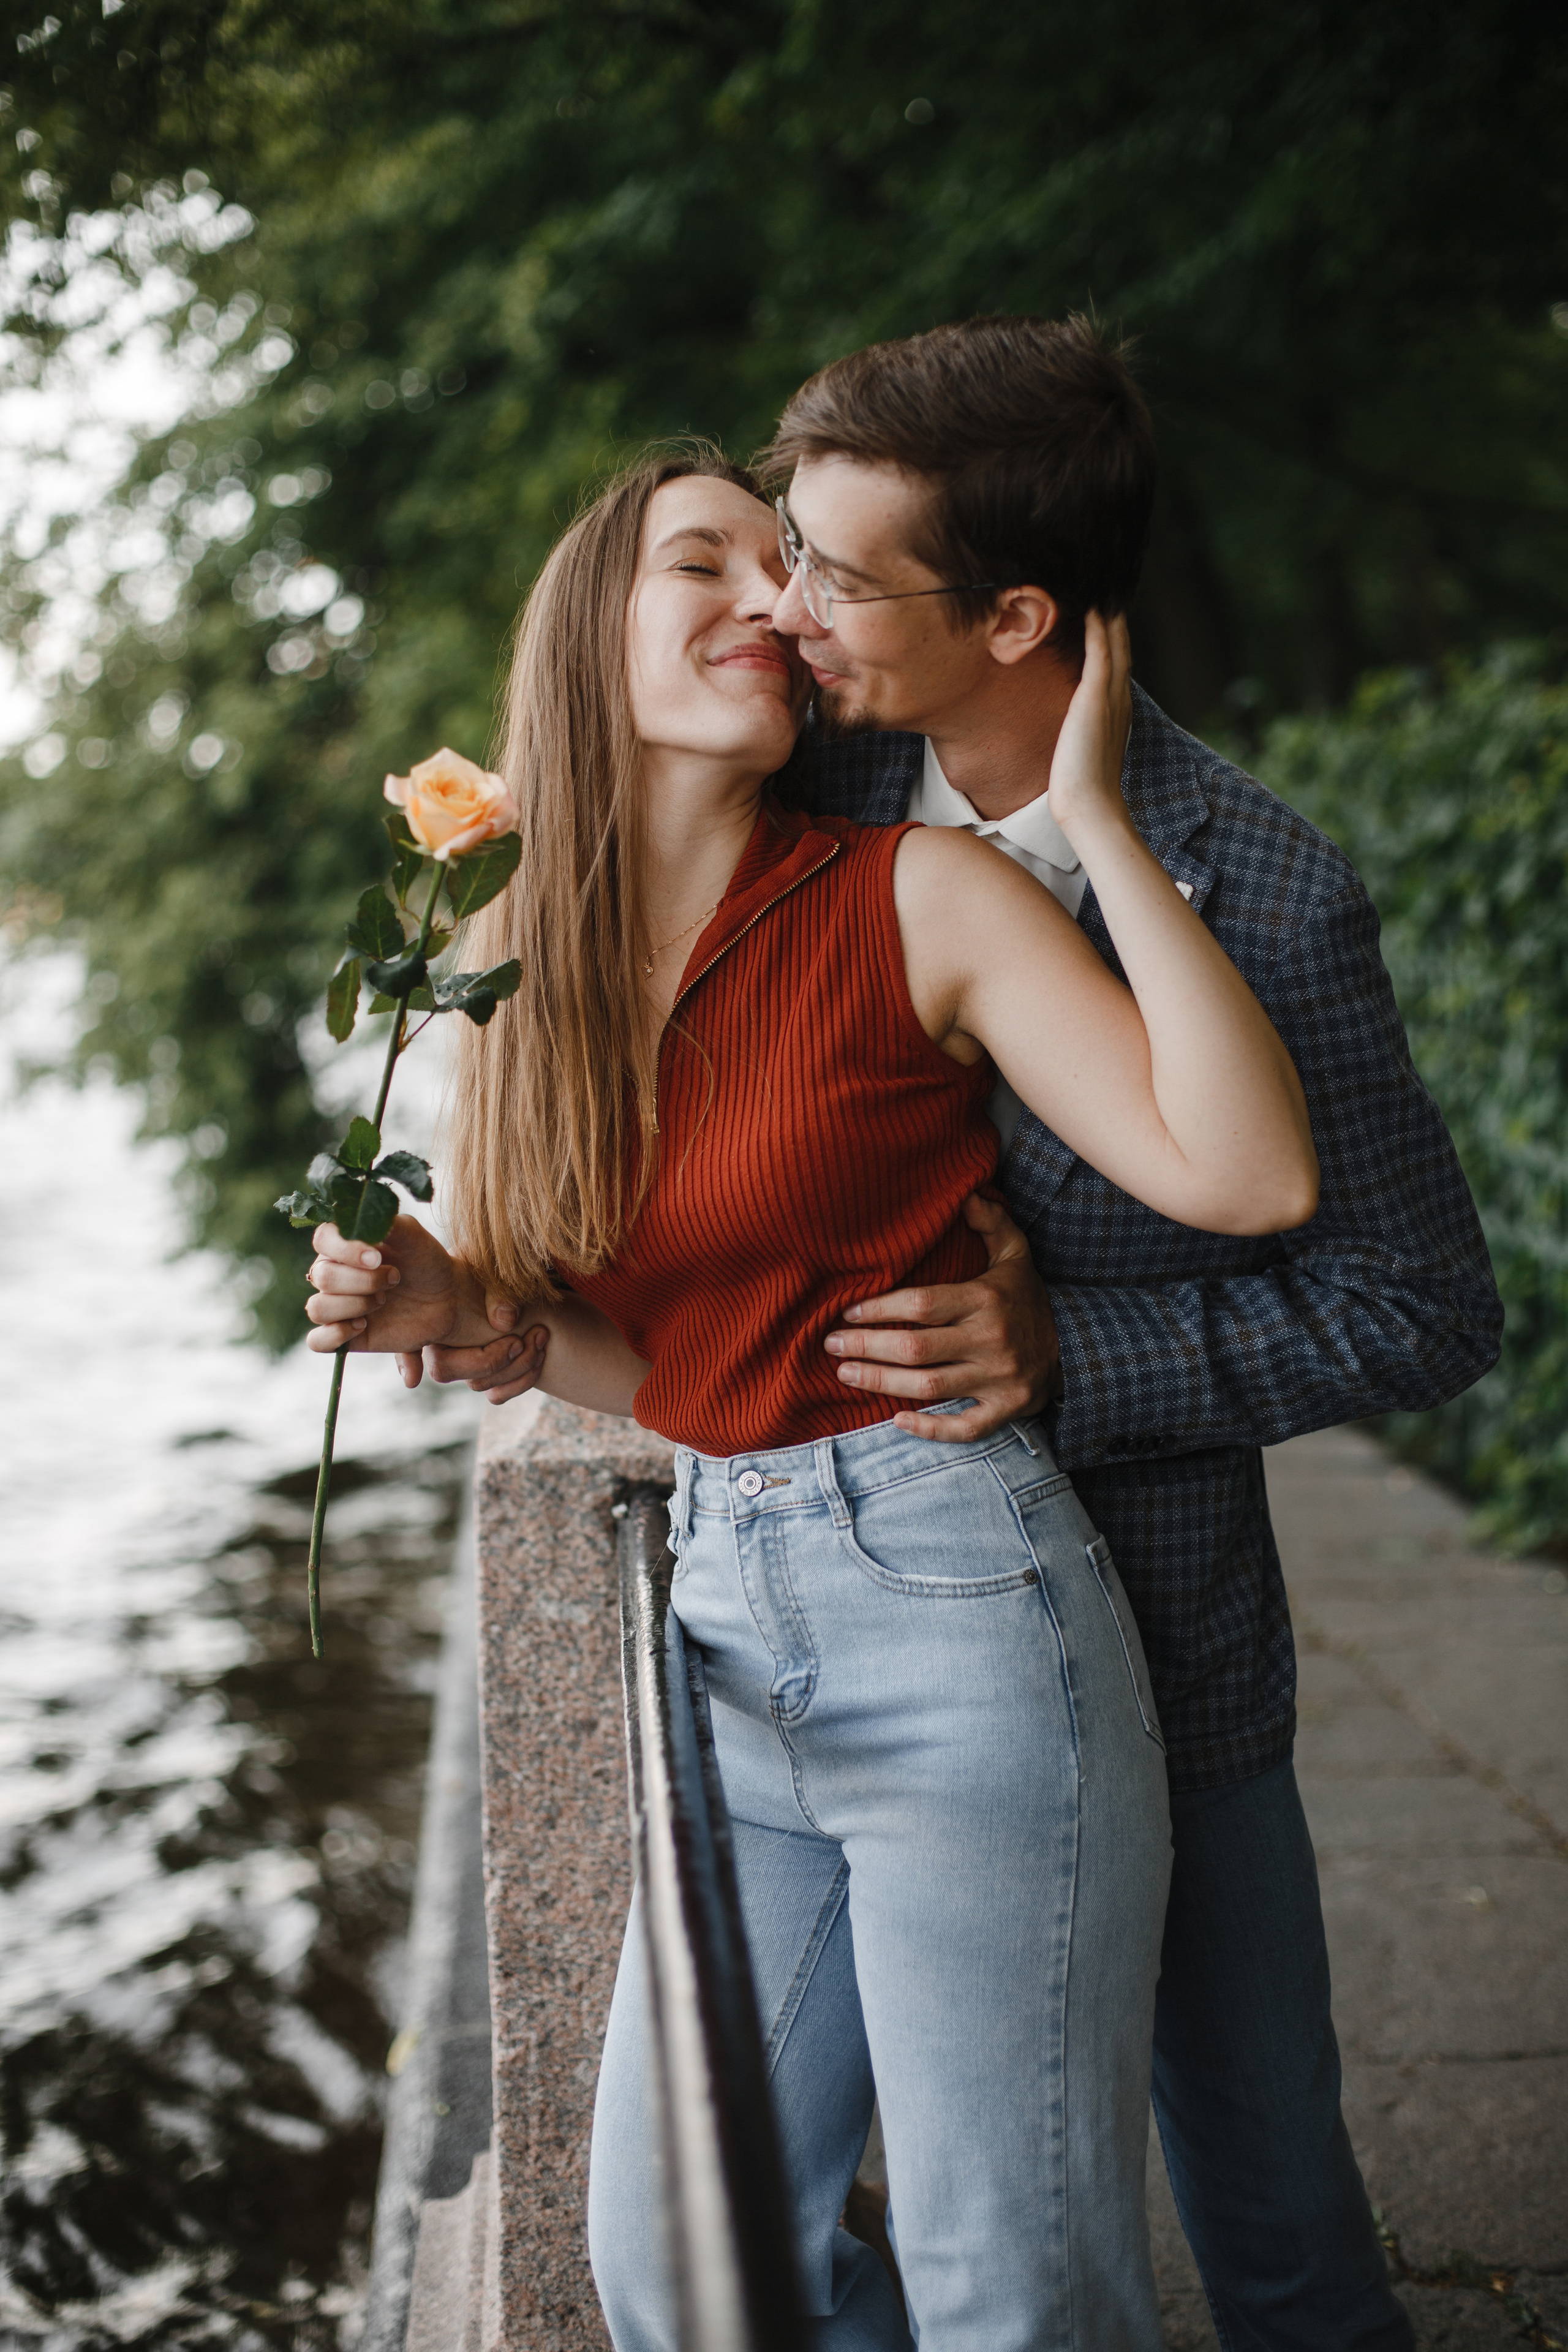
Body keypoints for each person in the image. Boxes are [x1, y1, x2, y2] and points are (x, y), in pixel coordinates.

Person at [437, 320, 1504, 2351]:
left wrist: (1059, 1354)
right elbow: (628, 899)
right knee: (736, 2249)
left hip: (1154, 1621)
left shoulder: (1264, 884)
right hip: (805, 1583)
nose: (787, 606)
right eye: (769, 557)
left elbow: (1417, 1300)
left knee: (1263, 2214)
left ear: (1015, 617)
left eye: (833, 573)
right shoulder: (815, 761)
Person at [306, 448, 1319, 2349]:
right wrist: (483, 1315)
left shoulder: (915, 896)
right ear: (581, 637)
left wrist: (1091, 822)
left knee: (1006, 2289)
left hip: (960, 1625)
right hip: (727, 1645)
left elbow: (1247, 1178)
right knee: (682, 2270)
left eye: (785, 570)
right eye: (707, 562)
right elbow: (684, 1370)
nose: (770, 600)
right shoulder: (517, 983)